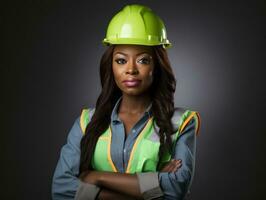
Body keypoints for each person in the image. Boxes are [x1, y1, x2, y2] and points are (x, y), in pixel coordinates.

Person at [52, 4, 201, 200]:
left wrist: (96, 177)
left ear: (157, 65)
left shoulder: (181, 122)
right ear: (110, 66)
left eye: (143, 60)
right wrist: (151, 185)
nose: (131, 69)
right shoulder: (86, 122)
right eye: (121, 60)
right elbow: (61, 190)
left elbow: (176, 189)